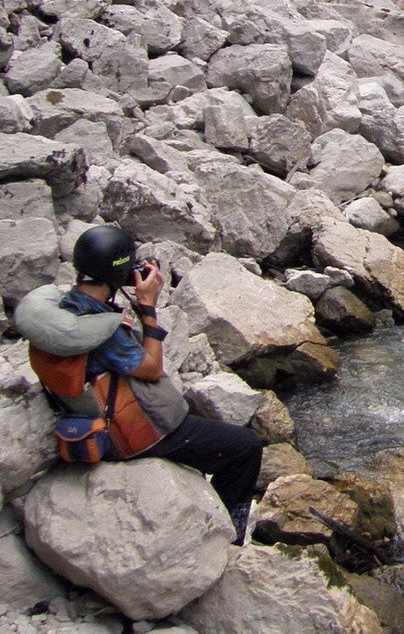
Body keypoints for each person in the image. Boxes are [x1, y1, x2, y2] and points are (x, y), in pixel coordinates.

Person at [22, 226, 264, 544]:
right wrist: (148, 308)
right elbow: (151, 368)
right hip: (131, 435)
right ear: (117, 272)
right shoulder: (102, 332)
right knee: (247, 447)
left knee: (195, 415)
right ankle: (229, 537)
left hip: (89, 416)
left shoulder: (64, 313)